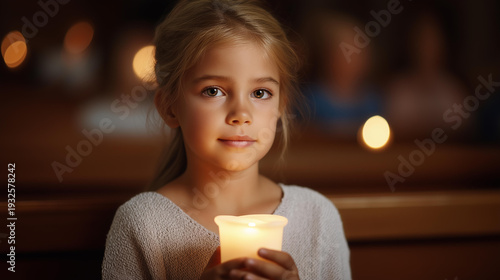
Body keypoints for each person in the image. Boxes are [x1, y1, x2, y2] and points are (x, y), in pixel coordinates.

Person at [102, 0, 351, 279]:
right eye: (213, 91)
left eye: (260, 93)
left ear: (281, 107)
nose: (241, 115)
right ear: (170, 107)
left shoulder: (317, 217)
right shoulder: (143, 223)